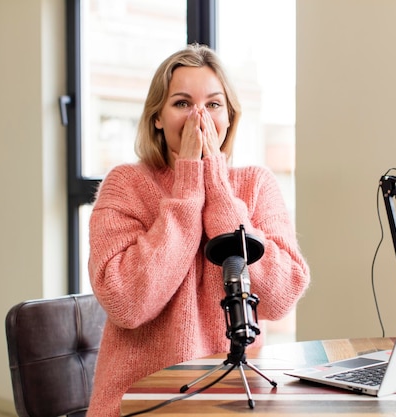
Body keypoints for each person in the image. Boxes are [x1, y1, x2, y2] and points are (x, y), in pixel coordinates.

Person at [86, 44, 310, 417]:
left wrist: (219, 189)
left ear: (230, 116)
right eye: (182, 103)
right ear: (157, 116)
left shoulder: (255, 185)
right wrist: (189, 184)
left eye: (213, 104)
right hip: (141, 402)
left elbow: (280, 297)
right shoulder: (125, 184)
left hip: (236, 399)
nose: (199, 117)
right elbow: (127, 303)